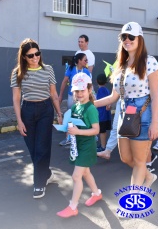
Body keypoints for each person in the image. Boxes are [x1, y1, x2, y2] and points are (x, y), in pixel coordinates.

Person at [94, 22, 158, 191]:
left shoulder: (150, 62)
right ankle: (149, 176)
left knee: (139, 162)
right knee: (126, 158)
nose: (127, 40)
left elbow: (155, 95)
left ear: (140, 39)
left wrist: (154, 123)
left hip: (143, 115)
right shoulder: (121, 65)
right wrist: (90, 103)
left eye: (131, 37)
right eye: (124, 37)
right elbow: (113, 97)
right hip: (125, 115)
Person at [10, 38, 62, 199]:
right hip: (27, 111)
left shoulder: (48, 70)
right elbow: (16, 99)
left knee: (42, 147)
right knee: (33, 149)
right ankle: (46, 173)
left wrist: (59, 113)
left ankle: (39, 184)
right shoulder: (18, 72)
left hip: (46, 110)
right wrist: (19, 121)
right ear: (24, 57)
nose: (35, 58)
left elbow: (53, 94)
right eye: (30, 55)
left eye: (37, 54)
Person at [57, 72, 102, 218]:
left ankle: (73, 206)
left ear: (89, 89)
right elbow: (73, 124)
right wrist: (66, 128)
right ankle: (96, 193)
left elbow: (96, 130)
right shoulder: (76, 107)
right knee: (86, 172)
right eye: (76, 91)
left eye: (82, 90)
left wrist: (77, 131)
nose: (79, 93)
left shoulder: (91, 109)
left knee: (77, 176)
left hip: (87, 146)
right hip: (78, 145)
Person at [58, 53, 91, 146]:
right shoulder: (71, 69)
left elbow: (90, 86)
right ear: (79, 61)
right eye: (85, 60)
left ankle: (86, 136)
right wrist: (60, 95)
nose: (87, 62)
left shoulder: (87, 71)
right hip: (72, 96)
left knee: (84, 116)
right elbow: (64, 81)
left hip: (83, 98)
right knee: (70, 116)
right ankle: (68, 138)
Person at [96, 73, 112, 152]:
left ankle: (103, 146)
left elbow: (101, 102)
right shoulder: (106, 90)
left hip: (101, 115)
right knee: (103, 131)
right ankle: (103, 144)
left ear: (97, 81)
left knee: (102, 131)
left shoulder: (100, 90)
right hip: (106, 115)